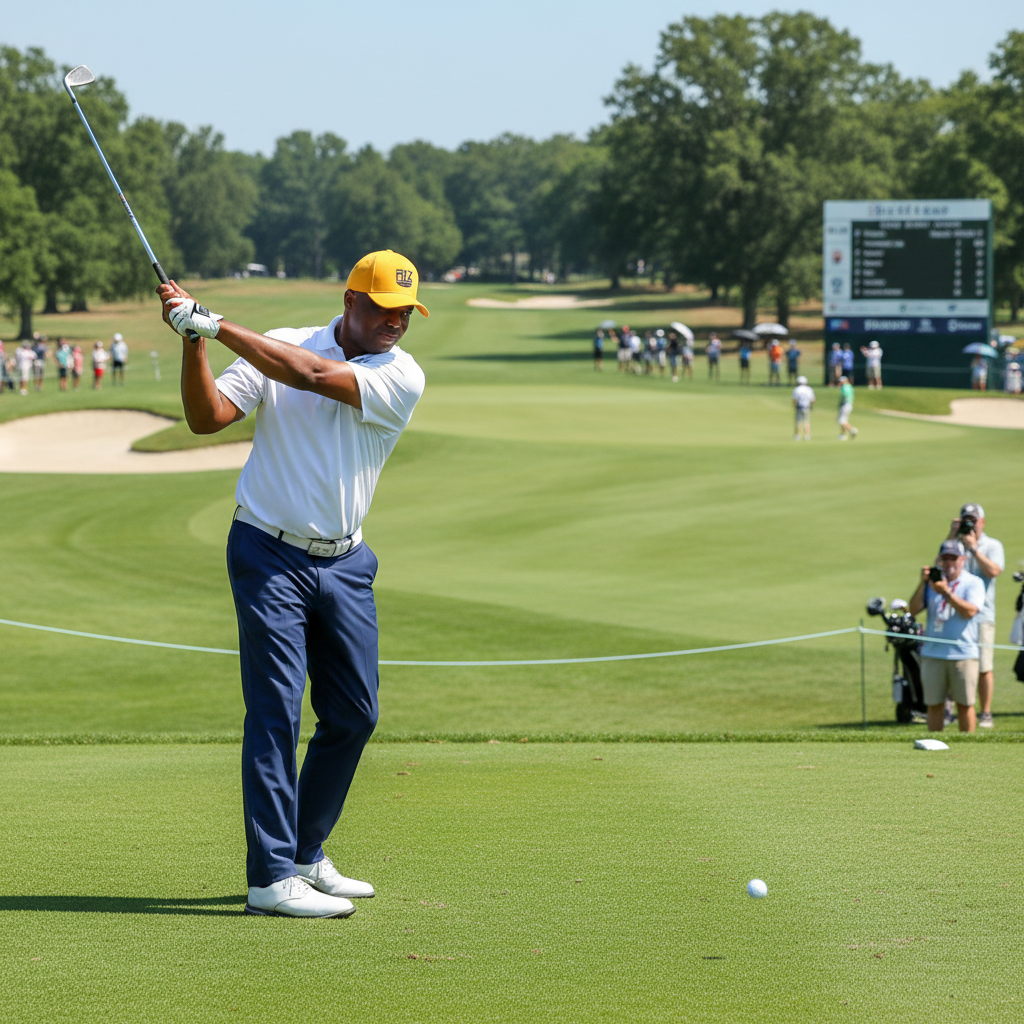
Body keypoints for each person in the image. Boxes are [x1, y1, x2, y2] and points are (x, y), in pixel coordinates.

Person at [157, 249, 427, 919]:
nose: (396, 322)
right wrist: (195, 341)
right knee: (275, 709)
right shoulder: (280, 344)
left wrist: (214, 324)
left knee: (354, 714)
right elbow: (209, 416)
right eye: (384, 309)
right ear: (350, 301)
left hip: (345, 563)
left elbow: (308, 375)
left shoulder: (401, 373)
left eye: (405, 312)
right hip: (267, 553)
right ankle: (271, 876)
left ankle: (307, 855)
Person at [909, 540, 985, 733]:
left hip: (963, 654)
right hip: (933, 654)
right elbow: (913, 609)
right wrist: (924, 582)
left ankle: (967, 750)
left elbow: (970, 611)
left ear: (963, 559)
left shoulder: (973, 582)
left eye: (953, 558)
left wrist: (947, 593)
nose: (949, 563)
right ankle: (935, 747)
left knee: (964, 704)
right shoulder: (933, 582)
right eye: (945, 558)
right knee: (934, 705)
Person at [947, 504, 1004, 728]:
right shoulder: (955, 545)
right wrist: (952, 535)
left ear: (982, 522)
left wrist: (973, 549)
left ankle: (986, 712)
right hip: (955, 614)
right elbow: (938, 568)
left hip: (982, 615)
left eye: (973, 520)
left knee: (983, 666)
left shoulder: (992, 545)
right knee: (952, 660)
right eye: (966, 520)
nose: (970, 524)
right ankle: (950, 709)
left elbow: (994, 571)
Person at [791, 374, 815, 441]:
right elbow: (812, 400)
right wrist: (811, 406)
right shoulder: (809, 389)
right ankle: (807, 436)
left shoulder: (797, 389)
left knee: (799, 422)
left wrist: (795, 406)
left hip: (799, 407)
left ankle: (798, 435)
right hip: (807, 407)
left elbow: (795, 400)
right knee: (806, 421)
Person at [837, 375, 857, 439]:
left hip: (845, 405)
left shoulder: (844, 387)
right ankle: (843, 434)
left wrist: (841, 404)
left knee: (841, 421)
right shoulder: (850, 386)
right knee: (844, 420)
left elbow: (844, 396)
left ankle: (852, 430)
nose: (840, 383)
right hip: (849, 405)